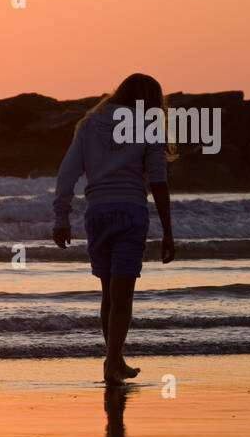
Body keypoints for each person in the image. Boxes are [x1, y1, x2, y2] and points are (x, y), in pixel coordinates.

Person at [52, 73, 176, 385]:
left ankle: (115, 360)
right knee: (123, 296)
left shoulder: (91, 123)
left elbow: (67, 174)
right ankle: (111, 363)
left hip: (98, 213)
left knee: (109, 293)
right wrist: (168, 231)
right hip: (131, 212)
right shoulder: (149, 124)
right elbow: (158, 181)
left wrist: (61, 217)